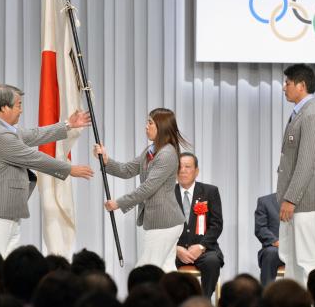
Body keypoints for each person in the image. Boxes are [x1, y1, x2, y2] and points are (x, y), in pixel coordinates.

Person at [0, 84, 94, 257]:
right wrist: (69, 169)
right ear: (4, 107)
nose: (21, 110)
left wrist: (67, 125)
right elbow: (33, 158)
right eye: (18, 105)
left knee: (6, 270)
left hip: (4, 212)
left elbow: (33, 135)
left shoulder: (2, 130)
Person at [93, 108, 187, 271]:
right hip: (163, 221)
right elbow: (127, 169)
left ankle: (143, 296)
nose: (146, 126)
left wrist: (118, 203)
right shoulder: (151, 150)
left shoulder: (166, 154)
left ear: (161, 126)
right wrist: (106, 161)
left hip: (164, 222)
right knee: (165, 269)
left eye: (150, 123)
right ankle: (175, 296)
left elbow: (147, 188)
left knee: (146, 270)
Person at [276, 64, 315, 285]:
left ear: (301, 86)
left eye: (287, 83)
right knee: (292, 260)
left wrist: (291, 198)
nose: (284, 88)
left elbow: (306, 163)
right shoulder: (301, 113)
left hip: (306, 200)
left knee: (310, 261)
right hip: (297, 200)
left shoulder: (311, 115)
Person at [174, 152, 223, 297]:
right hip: (175, 251)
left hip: (204, 250)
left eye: (187, 167)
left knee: (212, 261)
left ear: (196, 171)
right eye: (179, 167)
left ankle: (203, 301)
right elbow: (161, 226)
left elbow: (216, 224)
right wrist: (176, 248)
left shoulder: (210, 191)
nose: (182, 170)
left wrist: (201, 246)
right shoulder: (168, 193)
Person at [254, 193, 284, 286]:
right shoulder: (265, 201)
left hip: (299, 248)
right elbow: (260, 228)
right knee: (270, 253)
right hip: (276, 249)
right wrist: (276, 242)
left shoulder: (305, 203)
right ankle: (265, 296)